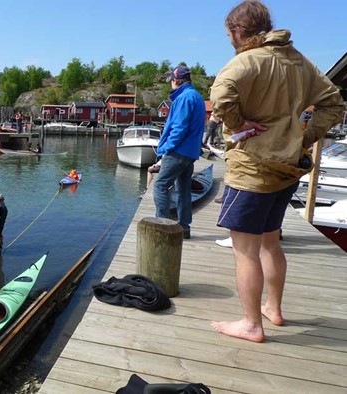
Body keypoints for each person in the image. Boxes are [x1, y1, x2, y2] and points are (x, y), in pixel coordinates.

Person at [209, 0, 343, 343]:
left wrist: (238, 123)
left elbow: (221, 95)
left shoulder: (245, 61)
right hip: (286, 169)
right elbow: (334, 104)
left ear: (238, 31)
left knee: (245, 250)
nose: (229, 40)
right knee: (270, 242)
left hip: (252, 169)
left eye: (229, 34)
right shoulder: (301, 63)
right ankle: (273, 307)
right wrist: (304, 136)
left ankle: (251, 323)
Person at [153, 64, 206, 240]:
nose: (171, 84)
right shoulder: (197, 97)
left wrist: (167, 149)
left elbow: (179, 128)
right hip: (190, 153)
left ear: (176, 80)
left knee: (160, 185)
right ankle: (184, 228)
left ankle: (164, 229)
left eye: (171, 81)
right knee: (183, 188)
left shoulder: (183, 98)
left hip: (177, 152)